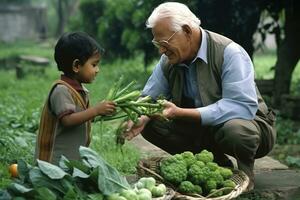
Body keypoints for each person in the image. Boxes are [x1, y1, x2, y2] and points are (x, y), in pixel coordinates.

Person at [124, 2, 276, 191]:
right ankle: (218, 164)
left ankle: (246, 173)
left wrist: (180, 113)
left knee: (235, 129)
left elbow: (240, 107)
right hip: (202, 130)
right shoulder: (169, 60)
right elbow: (149, 97)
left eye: (164, 43)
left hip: (249, 127)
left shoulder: (229, 52)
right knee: (150, 124)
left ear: (187, 31)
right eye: (157, 44)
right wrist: (141, 115)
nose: (161, 50)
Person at [35, 31, 116, 165]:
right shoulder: (61, 90)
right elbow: (68, 120)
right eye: (94, 65)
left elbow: (83, 116)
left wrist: (101, 111)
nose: (97, 70)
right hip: (52, 164)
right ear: (76, 66)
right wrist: (95, 110)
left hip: (69, 163)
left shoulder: (80, 90)